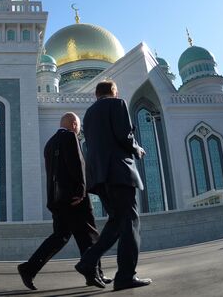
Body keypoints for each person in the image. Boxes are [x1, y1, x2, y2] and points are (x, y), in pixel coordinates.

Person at [16, 113, 111, 290]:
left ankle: (29, 269)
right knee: (89, 235)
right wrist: (82, 190)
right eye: (79, 126)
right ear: (74, 124)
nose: (79, 130)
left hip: (57, 199)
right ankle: (94, 274)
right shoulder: (69, 136)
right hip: (74, 198)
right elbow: (76, 165)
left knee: (60, 236)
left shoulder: (49, 143)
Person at [74, 80, 152, 291]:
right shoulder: (117, 104)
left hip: (100, 178)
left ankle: (88, 261)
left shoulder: (89, 114)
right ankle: (126, 276)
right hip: (119, 172)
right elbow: (124, 135)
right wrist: (137, 149)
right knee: (131, 223)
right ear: (114, 92)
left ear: (96, 95)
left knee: (117, 223)